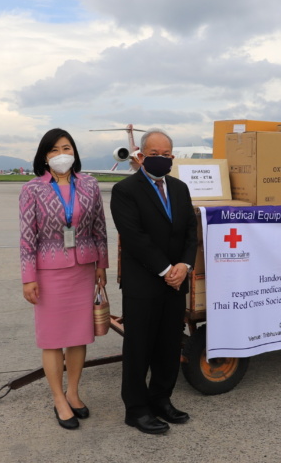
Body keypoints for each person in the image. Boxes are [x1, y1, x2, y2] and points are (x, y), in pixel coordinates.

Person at [19, 128, 109, 430]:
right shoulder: (32, 189)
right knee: (53, 338)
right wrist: (28, 277)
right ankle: (58, 398)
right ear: (45, 156)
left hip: (83, 269)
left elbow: (99, 227)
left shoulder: (90, 185)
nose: (61, 155)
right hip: (48, 273)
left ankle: (73, 391)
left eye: (66, 148)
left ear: (75, 152)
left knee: (79, 335)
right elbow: (27, 239)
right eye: (54, 150)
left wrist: (101, 266)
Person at [110, 129, 197, 435]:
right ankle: (135, 409)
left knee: (168, 345)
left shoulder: (179, 188)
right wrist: (166, 270)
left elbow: (190, 232)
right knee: (139, 348)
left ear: (172, 157)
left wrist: (185, 266)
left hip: (175, 283)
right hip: (144, 284)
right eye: (154, 154)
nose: (160, 159)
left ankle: (161, 399)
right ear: (142, 156)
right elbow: (135, 238)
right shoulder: (125, 191)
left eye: (166, 154)